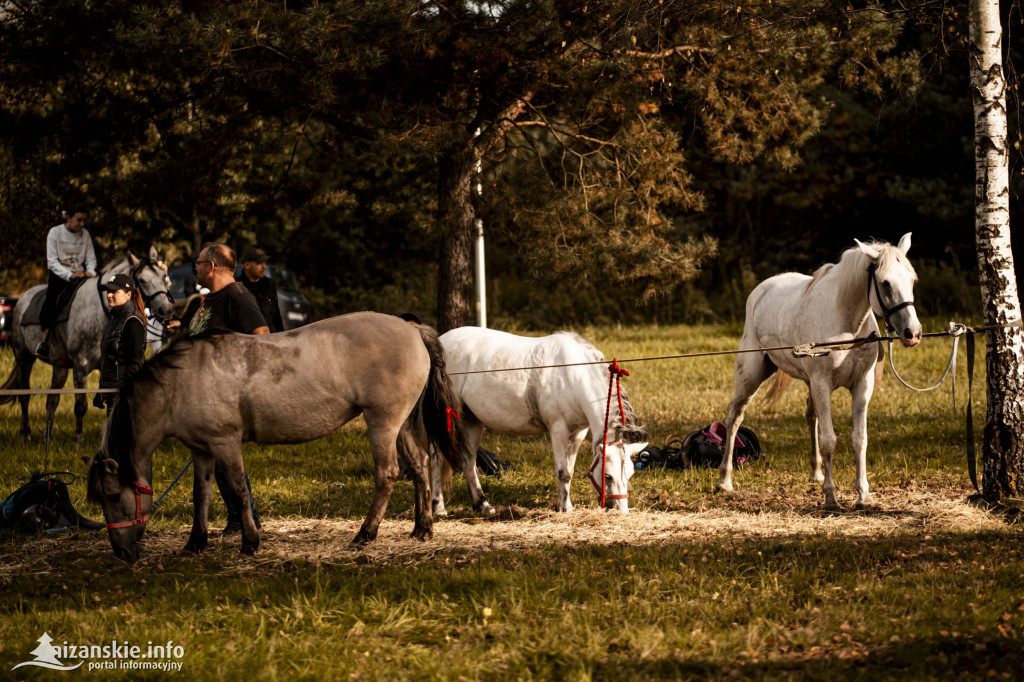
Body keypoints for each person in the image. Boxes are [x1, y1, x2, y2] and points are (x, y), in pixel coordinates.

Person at [187, 243, 268, 535]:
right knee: (218, 459)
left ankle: (248, 518)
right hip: (204, 394)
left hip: (225, 394)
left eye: (197, 263)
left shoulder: (239, 296)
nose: (194, 267)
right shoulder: (210, 299)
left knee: (225, 457)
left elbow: (262, 338)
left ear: (210, 266)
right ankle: (237, 517)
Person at [36, 205, 97, 360]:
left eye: (84, 220)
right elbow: (52, 262)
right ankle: (45, 342)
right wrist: (70, 275)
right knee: (50, 304)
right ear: (68, 218)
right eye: (79, 220)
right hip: (61, 276)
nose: (82, 223)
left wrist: (90, 272)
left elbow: (91, 259)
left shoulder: (86, 235)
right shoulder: (54, 233)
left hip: (83, 276)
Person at [93, 273, 147, 415]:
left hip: (124, 395)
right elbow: (108, 359)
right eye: (108, 291)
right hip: (111, 393)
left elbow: (135, 363)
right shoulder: (113, 321)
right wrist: (101, 389)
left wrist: (128, 394)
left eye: (114, 291)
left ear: (128, 295)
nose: (109, 295)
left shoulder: (132, 322)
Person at [237, 246, 284, 333]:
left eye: (264, 262)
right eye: (259, 263)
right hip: (250, 340)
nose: (264, 267)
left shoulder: (269, 285)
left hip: (272, 337)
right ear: (247, 265)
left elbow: (276, 317)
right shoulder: (237, 288)